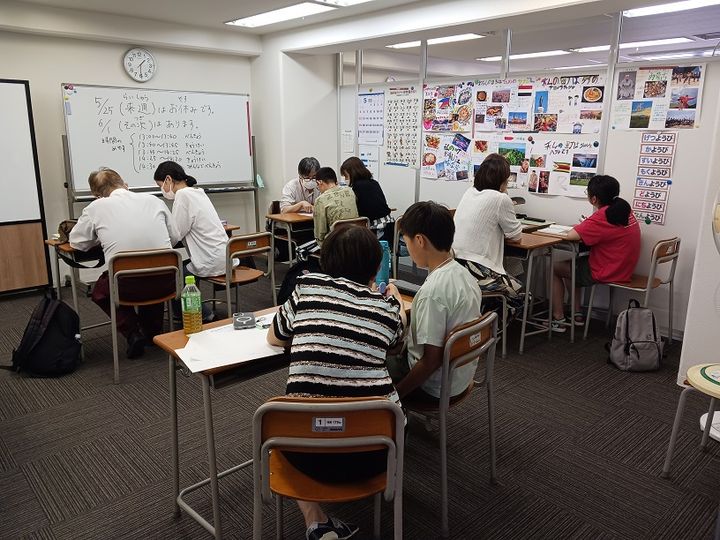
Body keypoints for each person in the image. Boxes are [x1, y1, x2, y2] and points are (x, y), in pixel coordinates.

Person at [267, 225, 405, 540]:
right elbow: (397, 345)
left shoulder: (307, 287)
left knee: (288, 419)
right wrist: (395, 301)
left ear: (325, 261)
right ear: (375, 268)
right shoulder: (387, 310)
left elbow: (275, 336)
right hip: (377, 453)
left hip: (305, 455)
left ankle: (315, 520)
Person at [69, 168, 179, 358]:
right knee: (151, 274)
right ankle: (152, 332)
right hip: (166, 282)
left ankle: (132, 332)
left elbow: (77, 243)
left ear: (97, 195)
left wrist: (100, 236)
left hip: (126, 286)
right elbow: (175, 237)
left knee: (101, 291)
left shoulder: (96, 207)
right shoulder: (154, 200)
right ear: (123, 183)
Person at [387, 201, 482, 400]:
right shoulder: (466, 276)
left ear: (419, 240)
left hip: (432, 387)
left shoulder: (432, 293)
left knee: (372, 358)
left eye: (407, 242)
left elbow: (430, 361)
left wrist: (396, 396)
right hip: (460, 376)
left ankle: (388, 412)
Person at [551, 175, 641, 331]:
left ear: (593, 199)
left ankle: (558, 318)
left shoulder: (603, 215)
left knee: (556, 268)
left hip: (607, 270)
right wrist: (587, 226)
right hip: (624, 268)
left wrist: (584, 226)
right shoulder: (623, 209)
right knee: (573, 266)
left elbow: (571, 236)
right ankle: (576, 313)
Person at [453, 153, 524, 315]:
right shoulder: (500, 199)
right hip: (477, 269)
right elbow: (516, 237)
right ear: (502, 180)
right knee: (520, 296)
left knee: (512, 268)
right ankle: (489, 326)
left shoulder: (469, 192)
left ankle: (482, 318)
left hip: (455, 263)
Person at [153, 161, 226, 278]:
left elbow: (176, 234)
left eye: (160, 185)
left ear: (168, 179)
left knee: (169, 275)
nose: (161, 189)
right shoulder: (198, 192)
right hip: (225, 258)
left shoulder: (182, 195)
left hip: (210, 262)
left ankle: (190, 290)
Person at [295, 167, 358, 260]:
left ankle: (315, 268)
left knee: (300, 250)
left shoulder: (321, 200)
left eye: (317, 186)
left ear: (320, 182)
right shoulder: (350, 191)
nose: (318, 189)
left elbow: (320, 234)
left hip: (335, 242)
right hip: (355, 237)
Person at [340, 156, 395, 242]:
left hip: (376, 229)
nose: (345, 179)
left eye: (346, 176)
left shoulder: (357, 187)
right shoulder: (374, 183)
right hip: (389, 224)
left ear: (352, 173)